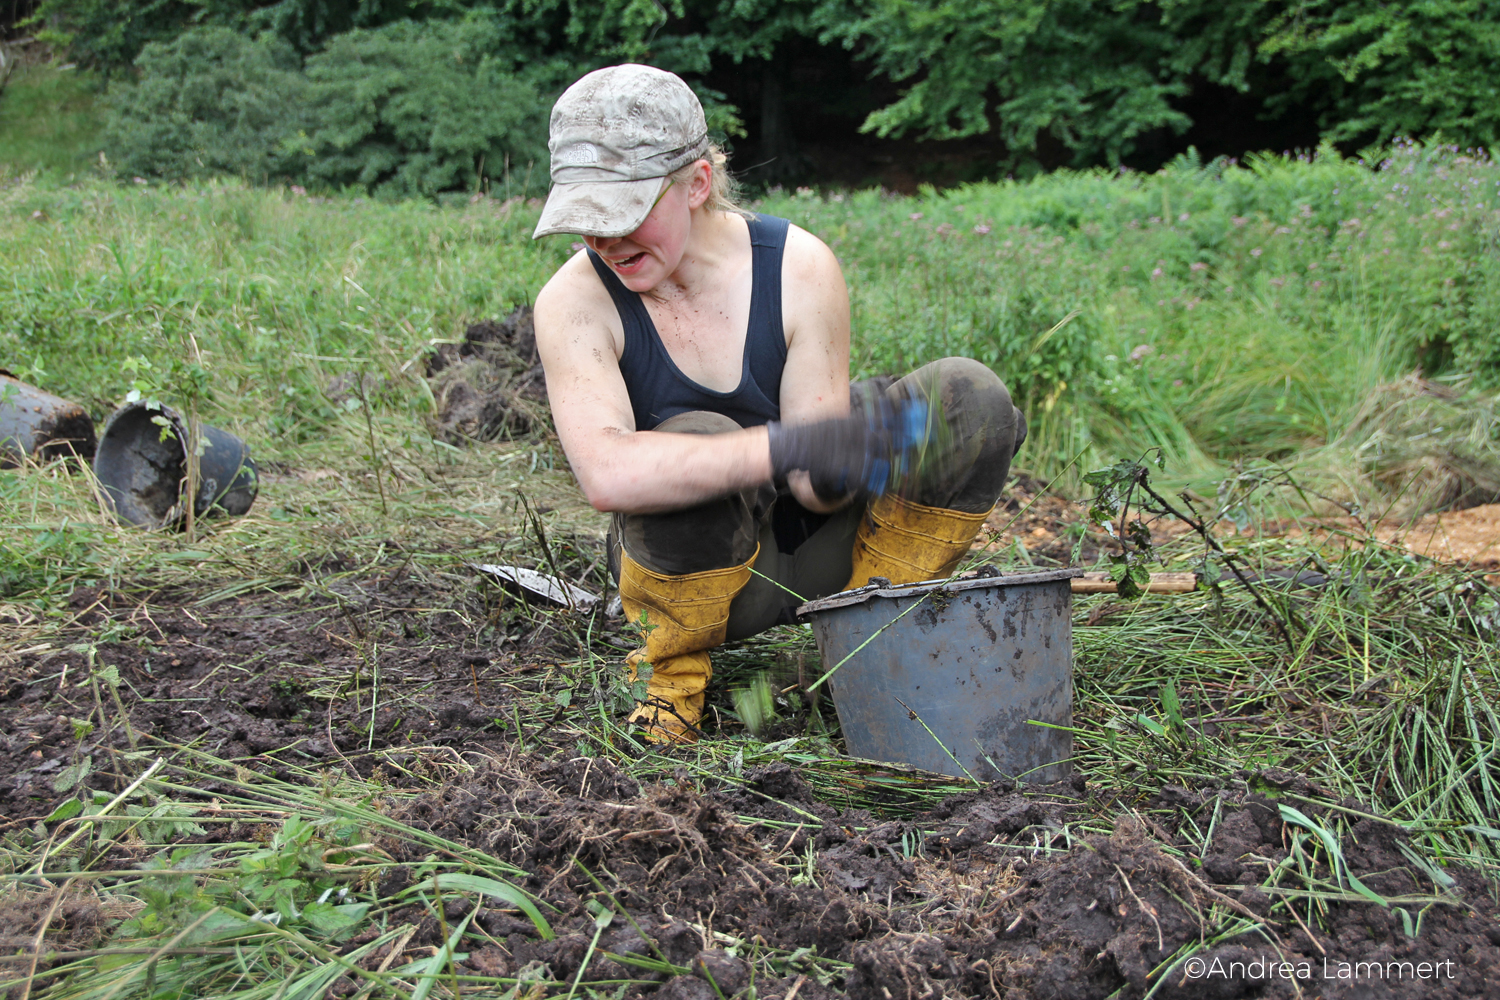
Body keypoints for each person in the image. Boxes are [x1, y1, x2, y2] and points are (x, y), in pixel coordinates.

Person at [532, 64, 1027, 743]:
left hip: (816, 556)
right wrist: (788, 445)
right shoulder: (572, 304)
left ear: (698, 182)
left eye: (626, 215)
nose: (604, 241)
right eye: (586, 220)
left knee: (968, 399)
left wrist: (849, 455)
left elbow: (812, 491)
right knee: (693, 440)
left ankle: (871, 633)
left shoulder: (797, 266)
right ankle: (670, 685)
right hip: (695, 584)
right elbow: (607, 473)